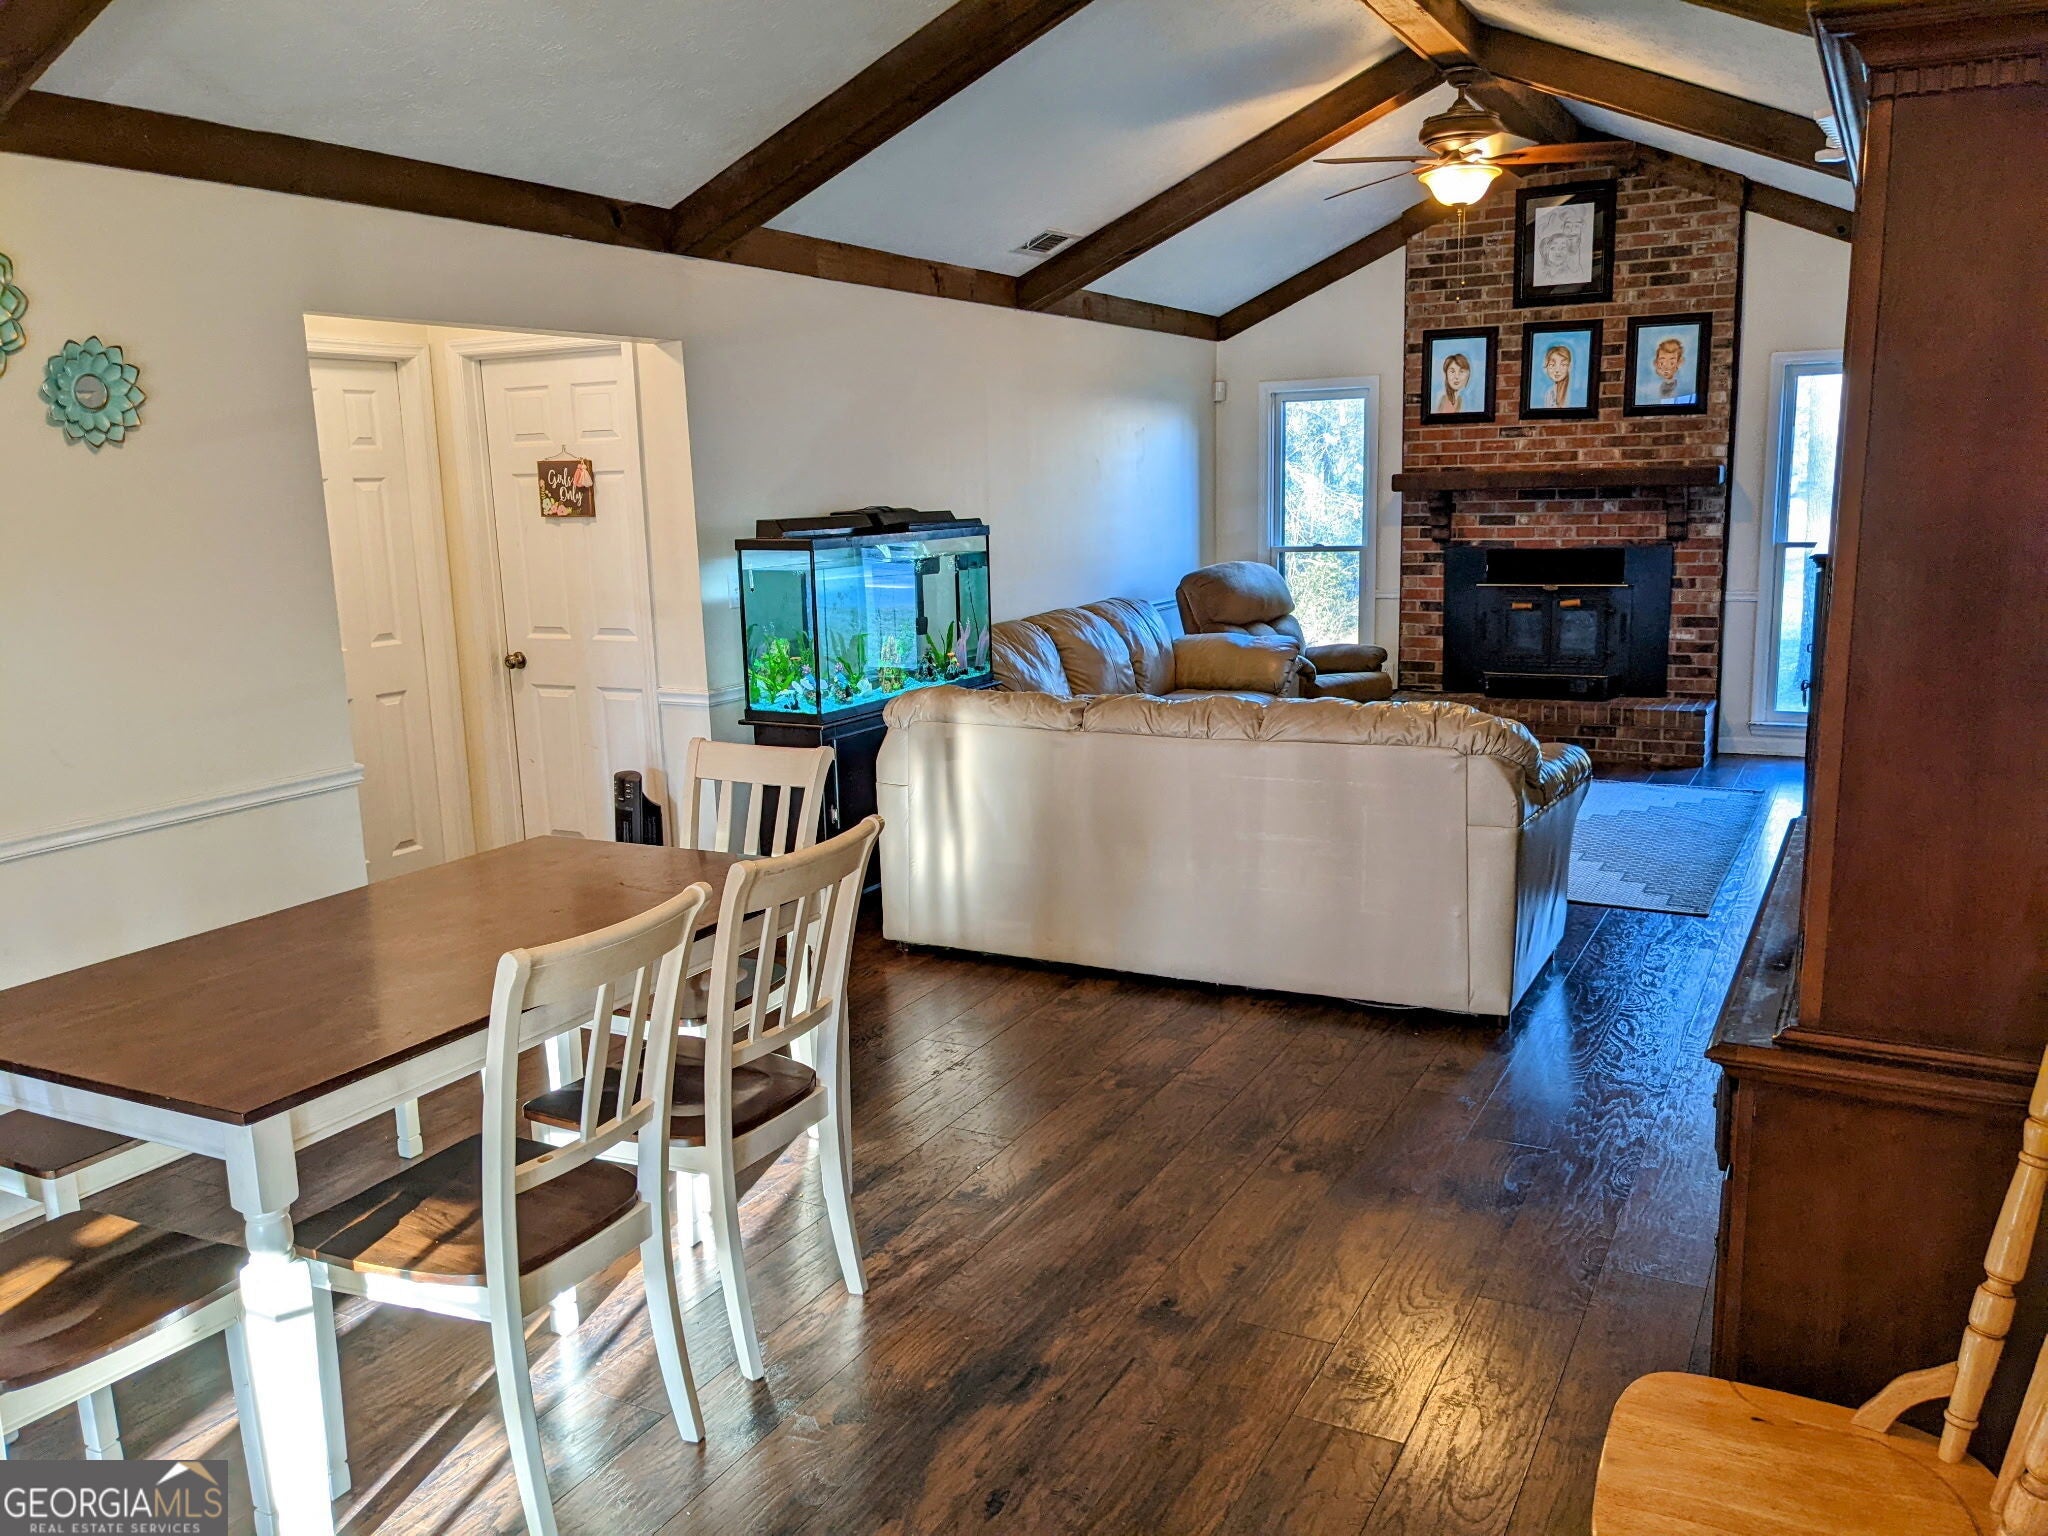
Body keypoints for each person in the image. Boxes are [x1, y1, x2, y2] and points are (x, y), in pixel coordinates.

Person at [1651, 335, 1695, 405]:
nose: (1666, 367)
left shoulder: (1684, 389)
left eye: (1672, 363)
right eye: (1662, 363)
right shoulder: (1651, 387)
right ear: (1656, 363)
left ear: (1679, 363)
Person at [1542, 343, 1575, 410]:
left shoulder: (1571, 392)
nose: (1557, 370)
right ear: (1546, 367)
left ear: (1569, 367)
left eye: (1563, 365)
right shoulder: (1549, 392)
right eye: (1552, 365)